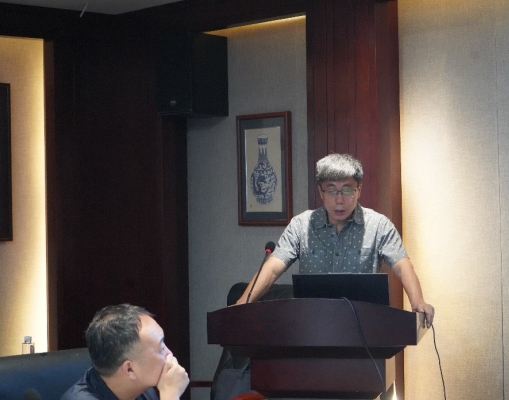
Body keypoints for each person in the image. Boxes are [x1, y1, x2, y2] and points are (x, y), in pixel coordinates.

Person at [236, 153, 435, 327]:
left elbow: (402, 266)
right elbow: (272, 269)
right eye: (331, 190)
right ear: (321, 192)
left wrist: (417, 301)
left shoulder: (378, 225)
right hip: (312, 327)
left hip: (365, 327)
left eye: (347, 190)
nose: (339, 200)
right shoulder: (301, 225)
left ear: (359, 190)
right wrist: (242, 304)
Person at [61, 304, 190, 400]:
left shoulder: (140, 387)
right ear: (129, 369)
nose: (169, 354)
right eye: (161, 349)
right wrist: (170, 395)